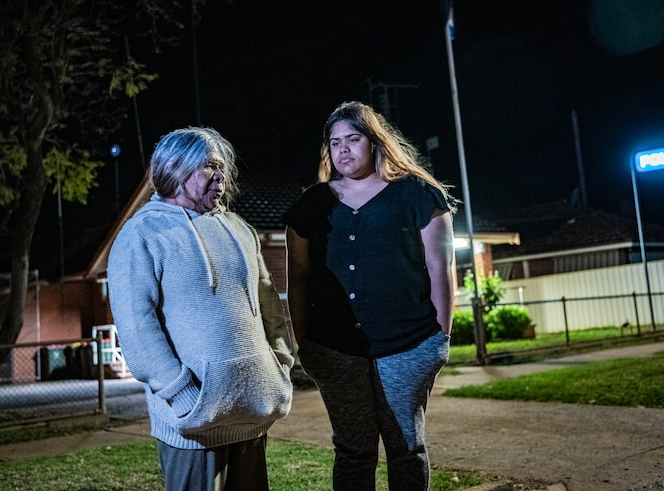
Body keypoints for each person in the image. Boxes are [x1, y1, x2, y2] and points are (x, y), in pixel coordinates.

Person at [107, 127, 294, 491]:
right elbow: (136, 327)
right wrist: (184, 397)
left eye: (222, 167)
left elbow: (270, 305)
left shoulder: (240, 229)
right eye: (209, 167)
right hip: (192, 425)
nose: (221, 177)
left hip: (253, 413)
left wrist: (281, 364)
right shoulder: (141, 235)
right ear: (175, 169)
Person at [283, 101, 456, 491]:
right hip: (335, 348)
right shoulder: (311, 206)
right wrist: (303, 343)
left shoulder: (417, 195)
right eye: (335, 142)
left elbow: (440, 268)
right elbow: (299, 278)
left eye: (353, 139)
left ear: (375, 142)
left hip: (409, 345)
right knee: (353, 450)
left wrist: (440, 338)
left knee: (406, 448)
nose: (343, 149)